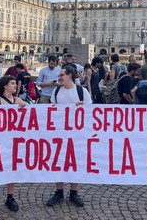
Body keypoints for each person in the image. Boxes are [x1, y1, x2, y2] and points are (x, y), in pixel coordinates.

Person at [47, 65, 92, 207]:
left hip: (76, 134)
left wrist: (81, 107)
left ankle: (74, 192)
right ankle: (59, 191)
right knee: (58, 161)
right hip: (59, 133)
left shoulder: (81, 91)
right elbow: (51, 111)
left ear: (70, 76)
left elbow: (90, 111)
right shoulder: (56, 91)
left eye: (62, 75)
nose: (59, 77)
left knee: (75, 162)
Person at [0, 76, 26, 216]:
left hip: (12, 143)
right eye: (13, 83)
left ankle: (10, 197)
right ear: (5, 86)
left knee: (11, 170)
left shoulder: (18, 101)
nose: (16, 85)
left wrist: (24, 107)